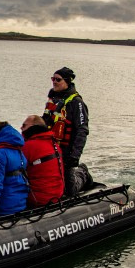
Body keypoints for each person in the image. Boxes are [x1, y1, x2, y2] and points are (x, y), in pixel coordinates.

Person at [42, 66, 90, 195]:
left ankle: (82, 173)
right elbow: (44, 122)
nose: (54, 82)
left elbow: (82, 130)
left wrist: (75, 155)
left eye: (58, 79)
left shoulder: (76, 102)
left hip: (67, 150)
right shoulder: (53, 100)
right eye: (53, 79)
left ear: (67, 81)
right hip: (51, 148)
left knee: (69, 191)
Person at [20, 115, 65, 207]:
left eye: (24, 125)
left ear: (33, 127)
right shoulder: (54, 144)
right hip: (57, 194)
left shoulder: (28, 147)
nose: (21, 128)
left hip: (38, 199)